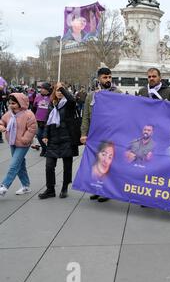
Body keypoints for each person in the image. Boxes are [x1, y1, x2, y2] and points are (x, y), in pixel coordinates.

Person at [81, 67, 121, 203]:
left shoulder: (118, 93)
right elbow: (85, 116)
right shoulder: (91, 95)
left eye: (110, 77)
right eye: (105, 77)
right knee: (95, 162)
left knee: (108, 163)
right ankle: (96, 189)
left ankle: (106, 191)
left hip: (111, 134)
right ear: (99, 79)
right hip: (94, 134)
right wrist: (83, 134)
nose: (108, 80)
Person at [38, 82, 79, 200]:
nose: (59, 92)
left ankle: (65, 187)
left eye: (61, 90)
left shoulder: (69, 104)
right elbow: (47, 122)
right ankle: (50, 189)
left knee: (67, 165)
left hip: (67, 139)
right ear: (54, 92)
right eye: (57, 90)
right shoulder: (52, 104)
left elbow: (72, 99)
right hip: (53, 139)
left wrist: (62, 88)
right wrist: (45, 135)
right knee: (49, 166)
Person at [0, 93, 37, 197]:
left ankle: (4, 186)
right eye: (10, 103)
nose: (11, 105)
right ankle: (26, 186)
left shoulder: (29, 114)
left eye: (14, 103)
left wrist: (24, 139)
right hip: (12, 142)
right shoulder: (8, 114)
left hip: (23, 144)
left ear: (20, 103)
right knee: (20, 164)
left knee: (14, 164)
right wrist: (1, 127)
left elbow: (32, 128)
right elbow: (2, 121)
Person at [32, 83, 53, 156]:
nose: (41, 90)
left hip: (48, 121)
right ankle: (44, 148)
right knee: (39, 135)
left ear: (47, 90)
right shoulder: (37, 97)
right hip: (39, 120)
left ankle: (48, 150)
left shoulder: (52, 97)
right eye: (41, 88)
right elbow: (34, 108)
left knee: (47, 136)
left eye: (43, 88)